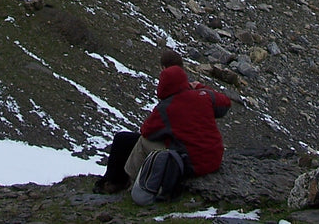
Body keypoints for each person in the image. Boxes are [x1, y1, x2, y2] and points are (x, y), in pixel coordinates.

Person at [94, 49, 234, 194]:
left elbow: (147, 131)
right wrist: (200, 87)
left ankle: (130, 182)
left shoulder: (166, 108)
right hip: (214, 160)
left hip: (191, 165)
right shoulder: (202, 96)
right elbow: (225, 103)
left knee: (141, 141)